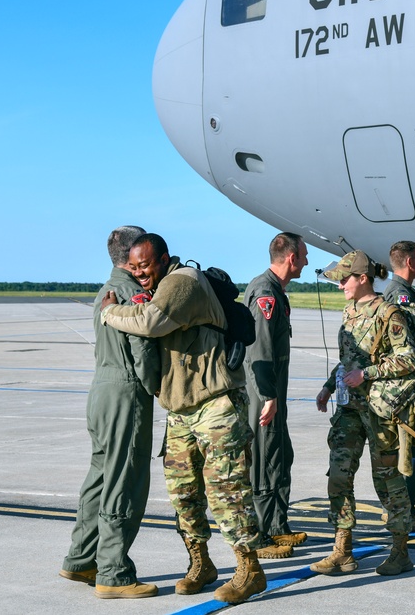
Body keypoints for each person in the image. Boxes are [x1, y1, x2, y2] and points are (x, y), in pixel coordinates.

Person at [98, 233, 266, 605]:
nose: (141, 274)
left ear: (164, 259)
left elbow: (151, 322)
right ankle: (201, 564)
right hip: (180, 408)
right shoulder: (159, 285)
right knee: (183, 494)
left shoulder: (181, 282)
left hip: (215, 404)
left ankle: (249, 570)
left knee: (227, 491)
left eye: (147, 265)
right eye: (135, 267)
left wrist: (109, 311)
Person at [60, 226, 160, 599]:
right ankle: (114, 573)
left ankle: (81, 559)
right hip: (126, 395)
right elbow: (143, 352)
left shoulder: (105, 291)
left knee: (100, 477)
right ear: (133, 252)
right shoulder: (133, 293)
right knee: (126, 481)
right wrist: (159, 388)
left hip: (100, 391)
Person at [311, 250, 415, 577]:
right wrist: (330, 386)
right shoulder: (350, 311)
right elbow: (348, 360)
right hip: (349, 409)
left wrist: (368, 375)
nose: (341, 285)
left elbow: (410, 358)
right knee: (339, 476)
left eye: (345, 279)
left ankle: (400, 550)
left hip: (379, 409)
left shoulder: (389, 314)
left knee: (387, 480)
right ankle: (342, 550)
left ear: (363, 278)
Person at [242, 232, 310, 559]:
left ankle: (277, 526)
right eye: (304, 256)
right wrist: (268, 394)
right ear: (291, 258)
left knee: (281, 455)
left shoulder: (277, 292)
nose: (307, 262)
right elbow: (259, 349)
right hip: (263, 390)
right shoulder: (265, 293)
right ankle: (260, 535)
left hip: (274, 390)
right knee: (264, 458)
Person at [383, 240, 415, 531]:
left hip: (406, 386)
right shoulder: (399, 296)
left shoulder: (402, 292)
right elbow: (407, 345)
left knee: (407, 453)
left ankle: (402, 511)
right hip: (406, 389)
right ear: (410, 262)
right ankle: (403, 514)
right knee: (408, 453)